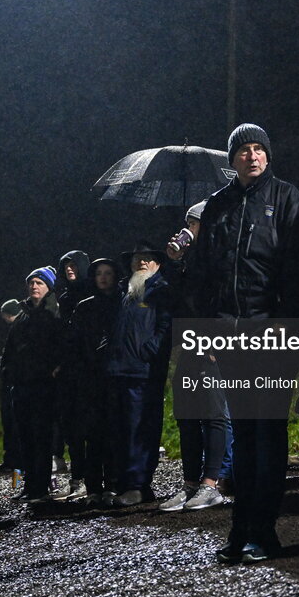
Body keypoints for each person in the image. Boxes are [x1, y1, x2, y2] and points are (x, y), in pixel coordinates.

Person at [186, 123, 299, 563]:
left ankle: (265, 530)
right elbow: (203, 275)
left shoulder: (287, 198)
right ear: (232, 158)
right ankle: (241, 527)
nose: (252, 155)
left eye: (259, 148)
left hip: (272, 336)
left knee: (269, 431)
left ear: (268, 155)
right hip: (229, 336)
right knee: (244, 434)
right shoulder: (217, 206)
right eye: (244, 149)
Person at [161, 201, 228, 513]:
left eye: (194, 223)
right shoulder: (187, 261)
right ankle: (189, 484)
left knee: (213, 413)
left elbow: (223, 298)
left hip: (212, 341)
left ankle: (211, 484)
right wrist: (174, 262)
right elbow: (175, 299)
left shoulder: (218, 257)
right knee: (186, 413)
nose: (188, 228)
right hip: (189, 342)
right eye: (186, 222)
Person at [105, 242, 174, 507]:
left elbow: (166, 327)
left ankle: (138, 484)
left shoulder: (161, 291)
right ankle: (125, 483)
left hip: (143, 372)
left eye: (147, 259)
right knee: (120, 430)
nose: (142, 263)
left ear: (158, 264)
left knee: (139, 430)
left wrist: (150, 351)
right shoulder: (126, 291)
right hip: (119, 370)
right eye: (137, 259)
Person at [1, 266, 70, 501]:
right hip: (21, 386)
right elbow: (8, 351)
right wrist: (8, 372)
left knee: (42, 439)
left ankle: (41, 487)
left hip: (44, 386)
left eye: (39, 283)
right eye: (31, 282)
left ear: (49, 287)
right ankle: (29, 486)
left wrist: (55, 371)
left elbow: (63, 347)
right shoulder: (22, 317)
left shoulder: (56, 313)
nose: (34, 286)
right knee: (25, 439)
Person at [70, 258, 125, 506]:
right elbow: (75, 342)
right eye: (99, 273)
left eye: (108, 273)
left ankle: (113, 484)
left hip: (115, 375)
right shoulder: (84, 307)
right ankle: (93, 487)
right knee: (92, 434)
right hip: (90, 377)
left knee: (115, 431)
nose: (103, 277)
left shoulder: (123, 303)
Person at [55, 250, 93, 499]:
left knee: (91, 427)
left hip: (89, 369)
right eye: (66, 266)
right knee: (72, 427)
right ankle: (78, 477)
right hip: (68, 371)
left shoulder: (92, 294)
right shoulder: (64, 299)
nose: (70, 269)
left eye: (73, 265)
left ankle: (94, 479)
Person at [0, 298, 23, 473]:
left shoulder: (19, 328)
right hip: (9, 382)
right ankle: (10, 459)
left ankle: (15, 460)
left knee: (13, 423)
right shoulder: (14, 329)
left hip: (14, 383)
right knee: (9, 423)